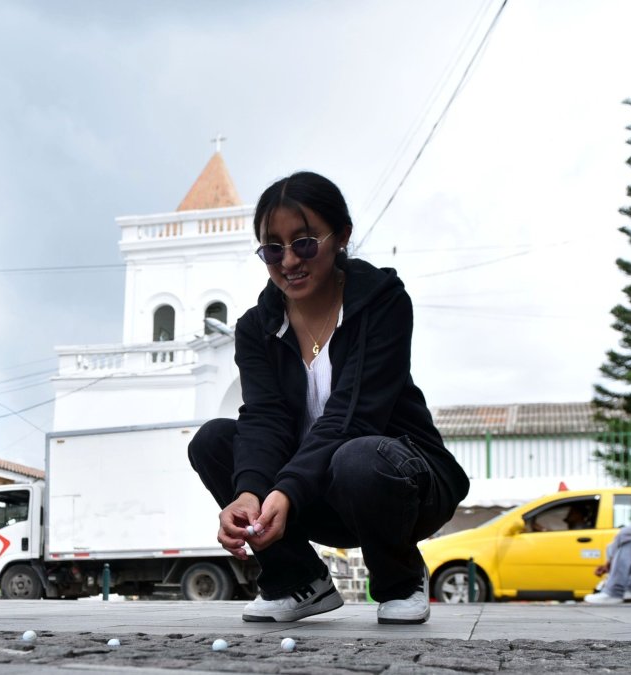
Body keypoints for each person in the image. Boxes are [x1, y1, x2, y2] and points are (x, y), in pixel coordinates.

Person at [188, 171, 469, 625]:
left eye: (304, 243)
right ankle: (298, 581)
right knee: (213, 440)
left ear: (341, 236)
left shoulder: (382, 301)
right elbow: (265, 417)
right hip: (314, 493)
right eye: (273, 248)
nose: (289, 261)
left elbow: (354, 416)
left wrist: (284, 488)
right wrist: (248, 492)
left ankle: (400, 578)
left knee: (357, 455)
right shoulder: (255, 328)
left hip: (400, 485)